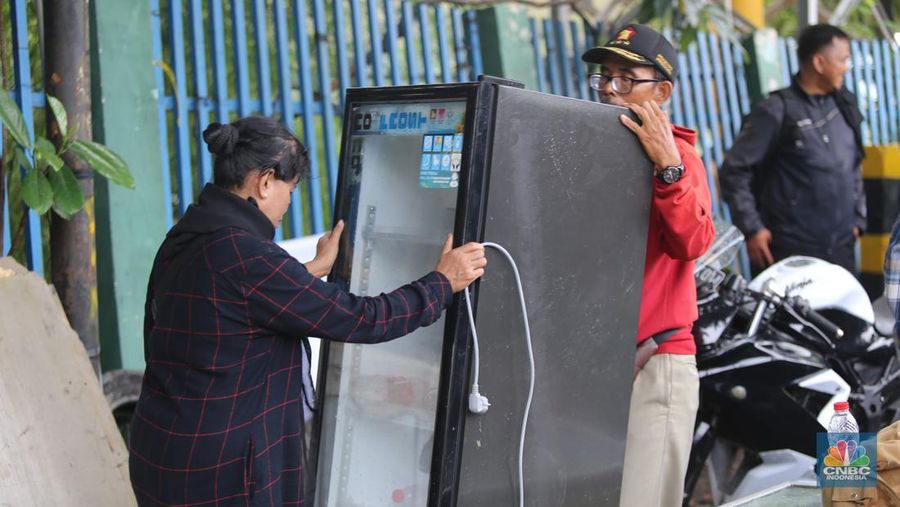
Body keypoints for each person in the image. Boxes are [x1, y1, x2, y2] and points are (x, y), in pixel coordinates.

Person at [128, 116, 487, 506]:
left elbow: (225, 303)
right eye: (290, 189)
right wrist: (441, 282)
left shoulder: (190, 235)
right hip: (218, 474)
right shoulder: (247, 256)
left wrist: (311, 271)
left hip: (162, 452)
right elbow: (362, 318)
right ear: (266, 181)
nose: (287, 204)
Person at [582, 24, 715, 506]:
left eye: (625, 79)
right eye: (604, 77)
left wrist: (668, 169)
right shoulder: (591, 151)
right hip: (594, 359)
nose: (609, 91)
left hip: (656, 359)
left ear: (662, 91)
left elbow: (693, 240)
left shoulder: (679, 157)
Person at [720, 24, 865, 275]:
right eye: (842, 60)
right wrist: (752, 228)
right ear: (819, 63)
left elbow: (855, 164)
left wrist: (858, 220)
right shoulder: (775, 110)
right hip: (789, 251)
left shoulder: (844, 106)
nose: (846, 67)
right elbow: (734, 171)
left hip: (841, 248)